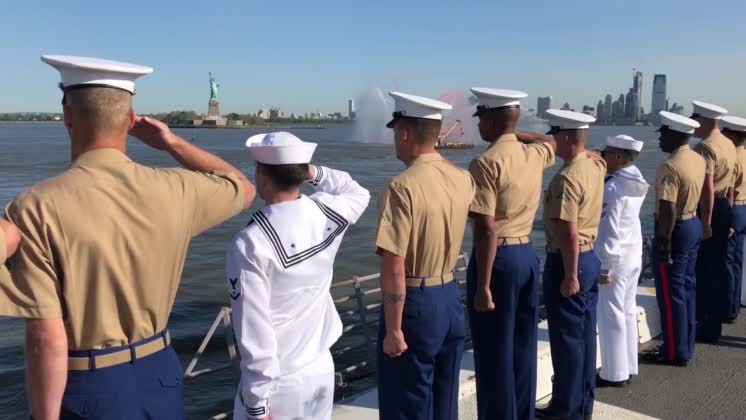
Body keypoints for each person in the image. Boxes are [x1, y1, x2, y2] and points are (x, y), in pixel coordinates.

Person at [0, 55, 254, 420]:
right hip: (161, 372)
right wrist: (171, 143)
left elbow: (46, 338)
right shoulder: (176, 189)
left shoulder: (35, 208)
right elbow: (242, 187)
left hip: (89, 385)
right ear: (132, 120)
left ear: (68, 118)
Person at [226, 132, 370, 420]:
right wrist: (313, 171)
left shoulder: (250, 243)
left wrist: (256, 404)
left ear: (262, 175)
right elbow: (357, 192)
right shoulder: (328, 212)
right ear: (299, 175)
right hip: (321, 366)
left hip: (280, 383)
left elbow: (254, 331)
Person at [375, 91, 475, 420]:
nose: (394, 140)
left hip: (415, 306)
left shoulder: (399, 188)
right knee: (444, 402)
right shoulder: (463, 180)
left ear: (404, 133)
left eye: (395, 133)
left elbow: (393, 264)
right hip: (449, 298)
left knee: (406, 403)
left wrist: (393, 330)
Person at [466, 88, 556, 420]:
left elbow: (486, 228)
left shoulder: (485, 163)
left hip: (497, 261)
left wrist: (483, 285)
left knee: (493, 349)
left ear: (490, 119)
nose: (478, 126)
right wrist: (513, 131)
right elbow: (551, 142)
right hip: (527, 257)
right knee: (522, 344)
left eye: (481, 119)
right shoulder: (534, 155)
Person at [535, 109, 605, 420]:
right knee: (585, 337)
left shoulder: (567, 178)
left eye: (554, 136)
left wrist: (570, 275)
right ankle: (581, 405)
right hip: (590, 258)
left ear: (564, 137)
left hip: (567, 262)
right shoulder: (596, 165)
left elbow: (569, 232)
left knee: (566, 342)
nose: (551, 141)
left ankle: (565, 411)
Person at [641, 112, 705, 366]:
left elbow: (667, 207)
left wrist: (664, 243)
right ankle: (685, 345)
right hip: (692, 224)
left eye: (663, 134)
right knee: (687, 288)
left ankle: (673, 351)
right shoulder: (697, 158)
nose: (660, 139)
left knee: (670, 294)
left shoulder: (669, 166)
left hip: (675, 229)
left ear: (676, 134)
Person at [595, 135, 648, 387]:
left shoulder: (613, 188)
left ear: (617, 157)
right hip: (632, 255)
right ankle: (627, 366)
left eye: (606, 153)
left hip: (615, 259)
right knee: (626, 311)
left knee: (610, 314)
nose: (602, 156)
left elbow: (609, 229)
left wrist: (604, 266)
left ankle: (613, 373)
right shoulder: (635, 180)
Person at [690, 101, 737, 342]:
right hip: (723, 207)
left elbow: (706, 188)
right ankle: (714, 324)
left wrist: (705, 223)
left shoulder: (705, 147)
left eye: (695, 118)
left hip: (708, 209)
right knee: (718, 266)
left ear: (705, 120)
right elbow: (730, 185)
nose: (693, 122)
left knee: (705, 268)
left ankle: (706, 325)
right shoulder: (728, 144)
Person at [721, 116, 746, 321]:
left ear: (735, 136)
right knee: (737, 261)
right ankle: (734, 305)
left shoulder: (733, 158)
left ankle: (727, 309)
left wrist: (728, 220)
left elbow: (730, 191)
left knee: (727, 262)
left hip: (734, 208)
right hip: (744, 209)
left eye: (726, 132)